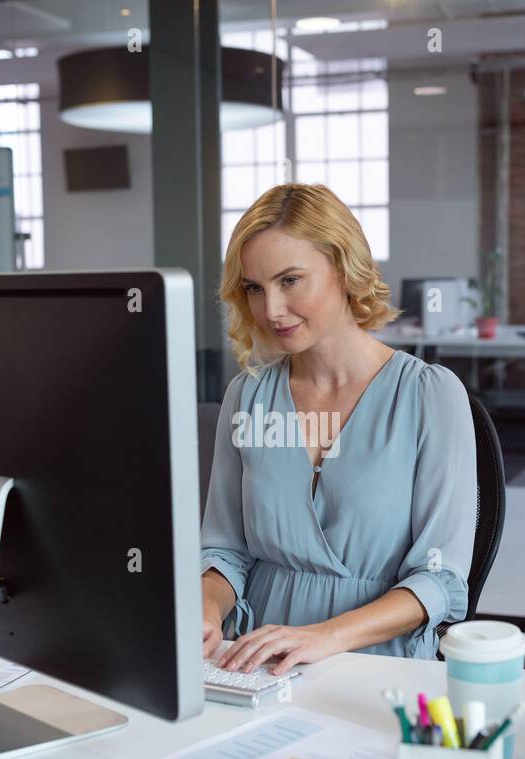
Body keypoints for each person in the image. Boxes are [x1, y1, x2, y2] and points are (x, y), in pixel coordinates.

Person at [200, 183, 478, 675]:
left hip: (374, 664)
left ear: (344, 268)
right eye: (254, 288)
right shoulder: (246, 397)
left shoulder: (431, 395)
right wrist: (206, 606)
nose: (270, 311)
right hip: (255, 661)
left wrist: (321, 638)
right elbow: (225, 550)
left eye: (290, 281)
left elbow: (440, 580)